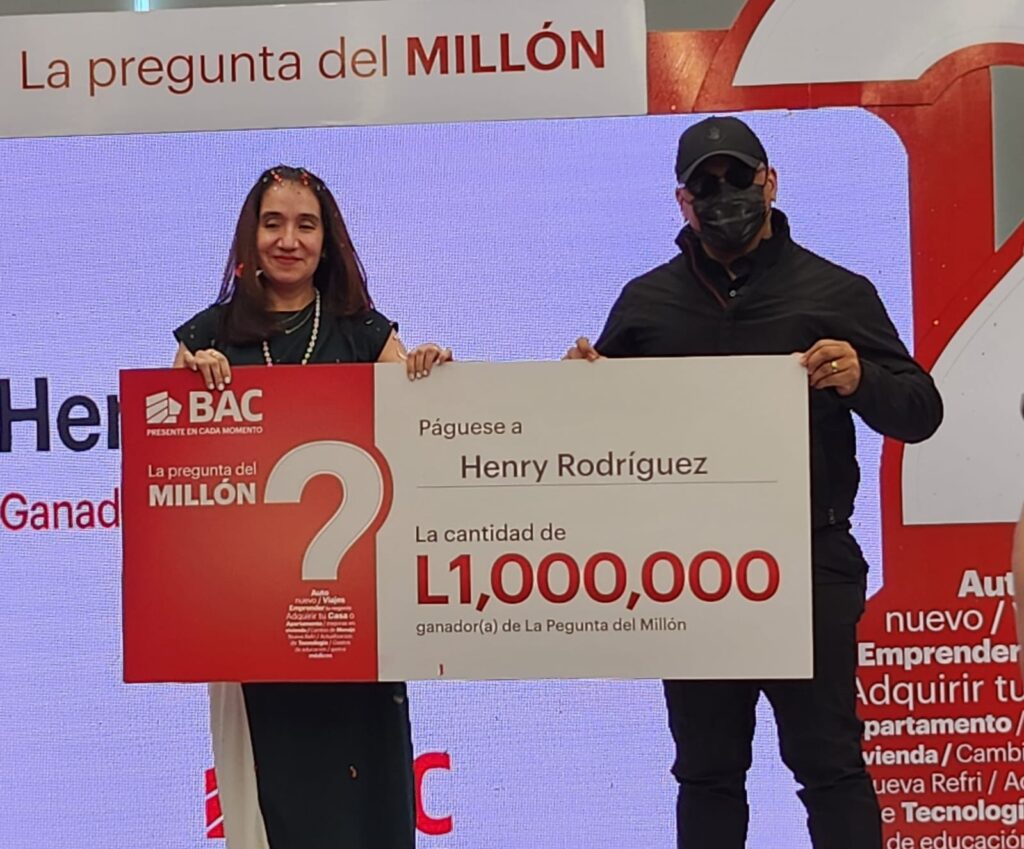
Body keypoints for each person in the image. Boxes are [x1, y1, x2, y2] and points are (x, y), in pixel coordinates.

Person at [565, 117, 943, 849]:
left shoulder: (838, 291)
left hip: (809, 562)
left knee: (829, 766)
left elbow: (922, 411)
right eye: (705, 186)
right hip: (691, 570)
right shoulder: (646, 303)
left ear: (769, 182)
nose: (725, 195)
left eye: (738, 177)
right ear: (683, 202)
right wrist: (579, 390)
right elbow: (599, 437)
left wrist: (862, 378)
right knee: (706, 773)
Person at [172, 165, 452, 849]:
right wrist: (188, 385)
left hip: (355, 615)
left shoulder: (364, 333)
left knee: (365, 804)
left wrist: (430, 376)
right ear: (251, 235)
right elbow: (173, 466)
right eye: (273, 223)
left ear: (327, 240)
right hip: (249, 621)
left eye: (305, 225)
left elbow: (421, 434)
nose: (288, 240)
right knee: (274, 807)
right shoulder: (207, 336)